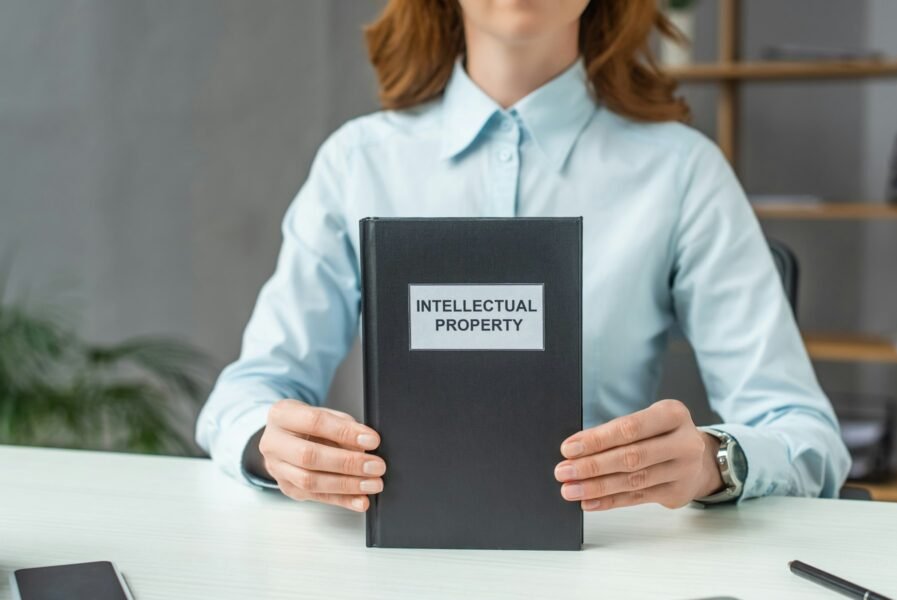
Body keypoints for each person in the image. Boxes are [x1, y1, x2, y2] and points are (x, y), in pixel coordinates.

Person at [196, 0, 851, 514]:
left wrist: (713, 461)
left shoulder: (684, 172)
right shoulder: (356, 163)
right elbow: (246, 397)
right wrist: (269, 447)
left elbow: (805, 434)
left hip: (613, 565)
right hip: (393, 561)